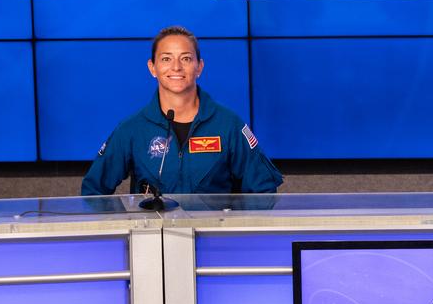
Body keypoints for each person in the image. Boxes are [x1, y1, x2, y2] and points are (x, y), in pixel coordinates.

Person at [81, 26, 283, 196]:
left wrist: (234, 235)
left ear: (199, 67)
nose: (176, 67)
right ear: (152, 68)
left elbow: (264, 190)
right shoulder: (131, 130)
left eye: (185, 59)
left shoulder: (229, 125)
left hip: (215, 240)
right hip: (152, 241)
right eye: (166, 59)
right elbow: (92, 193)